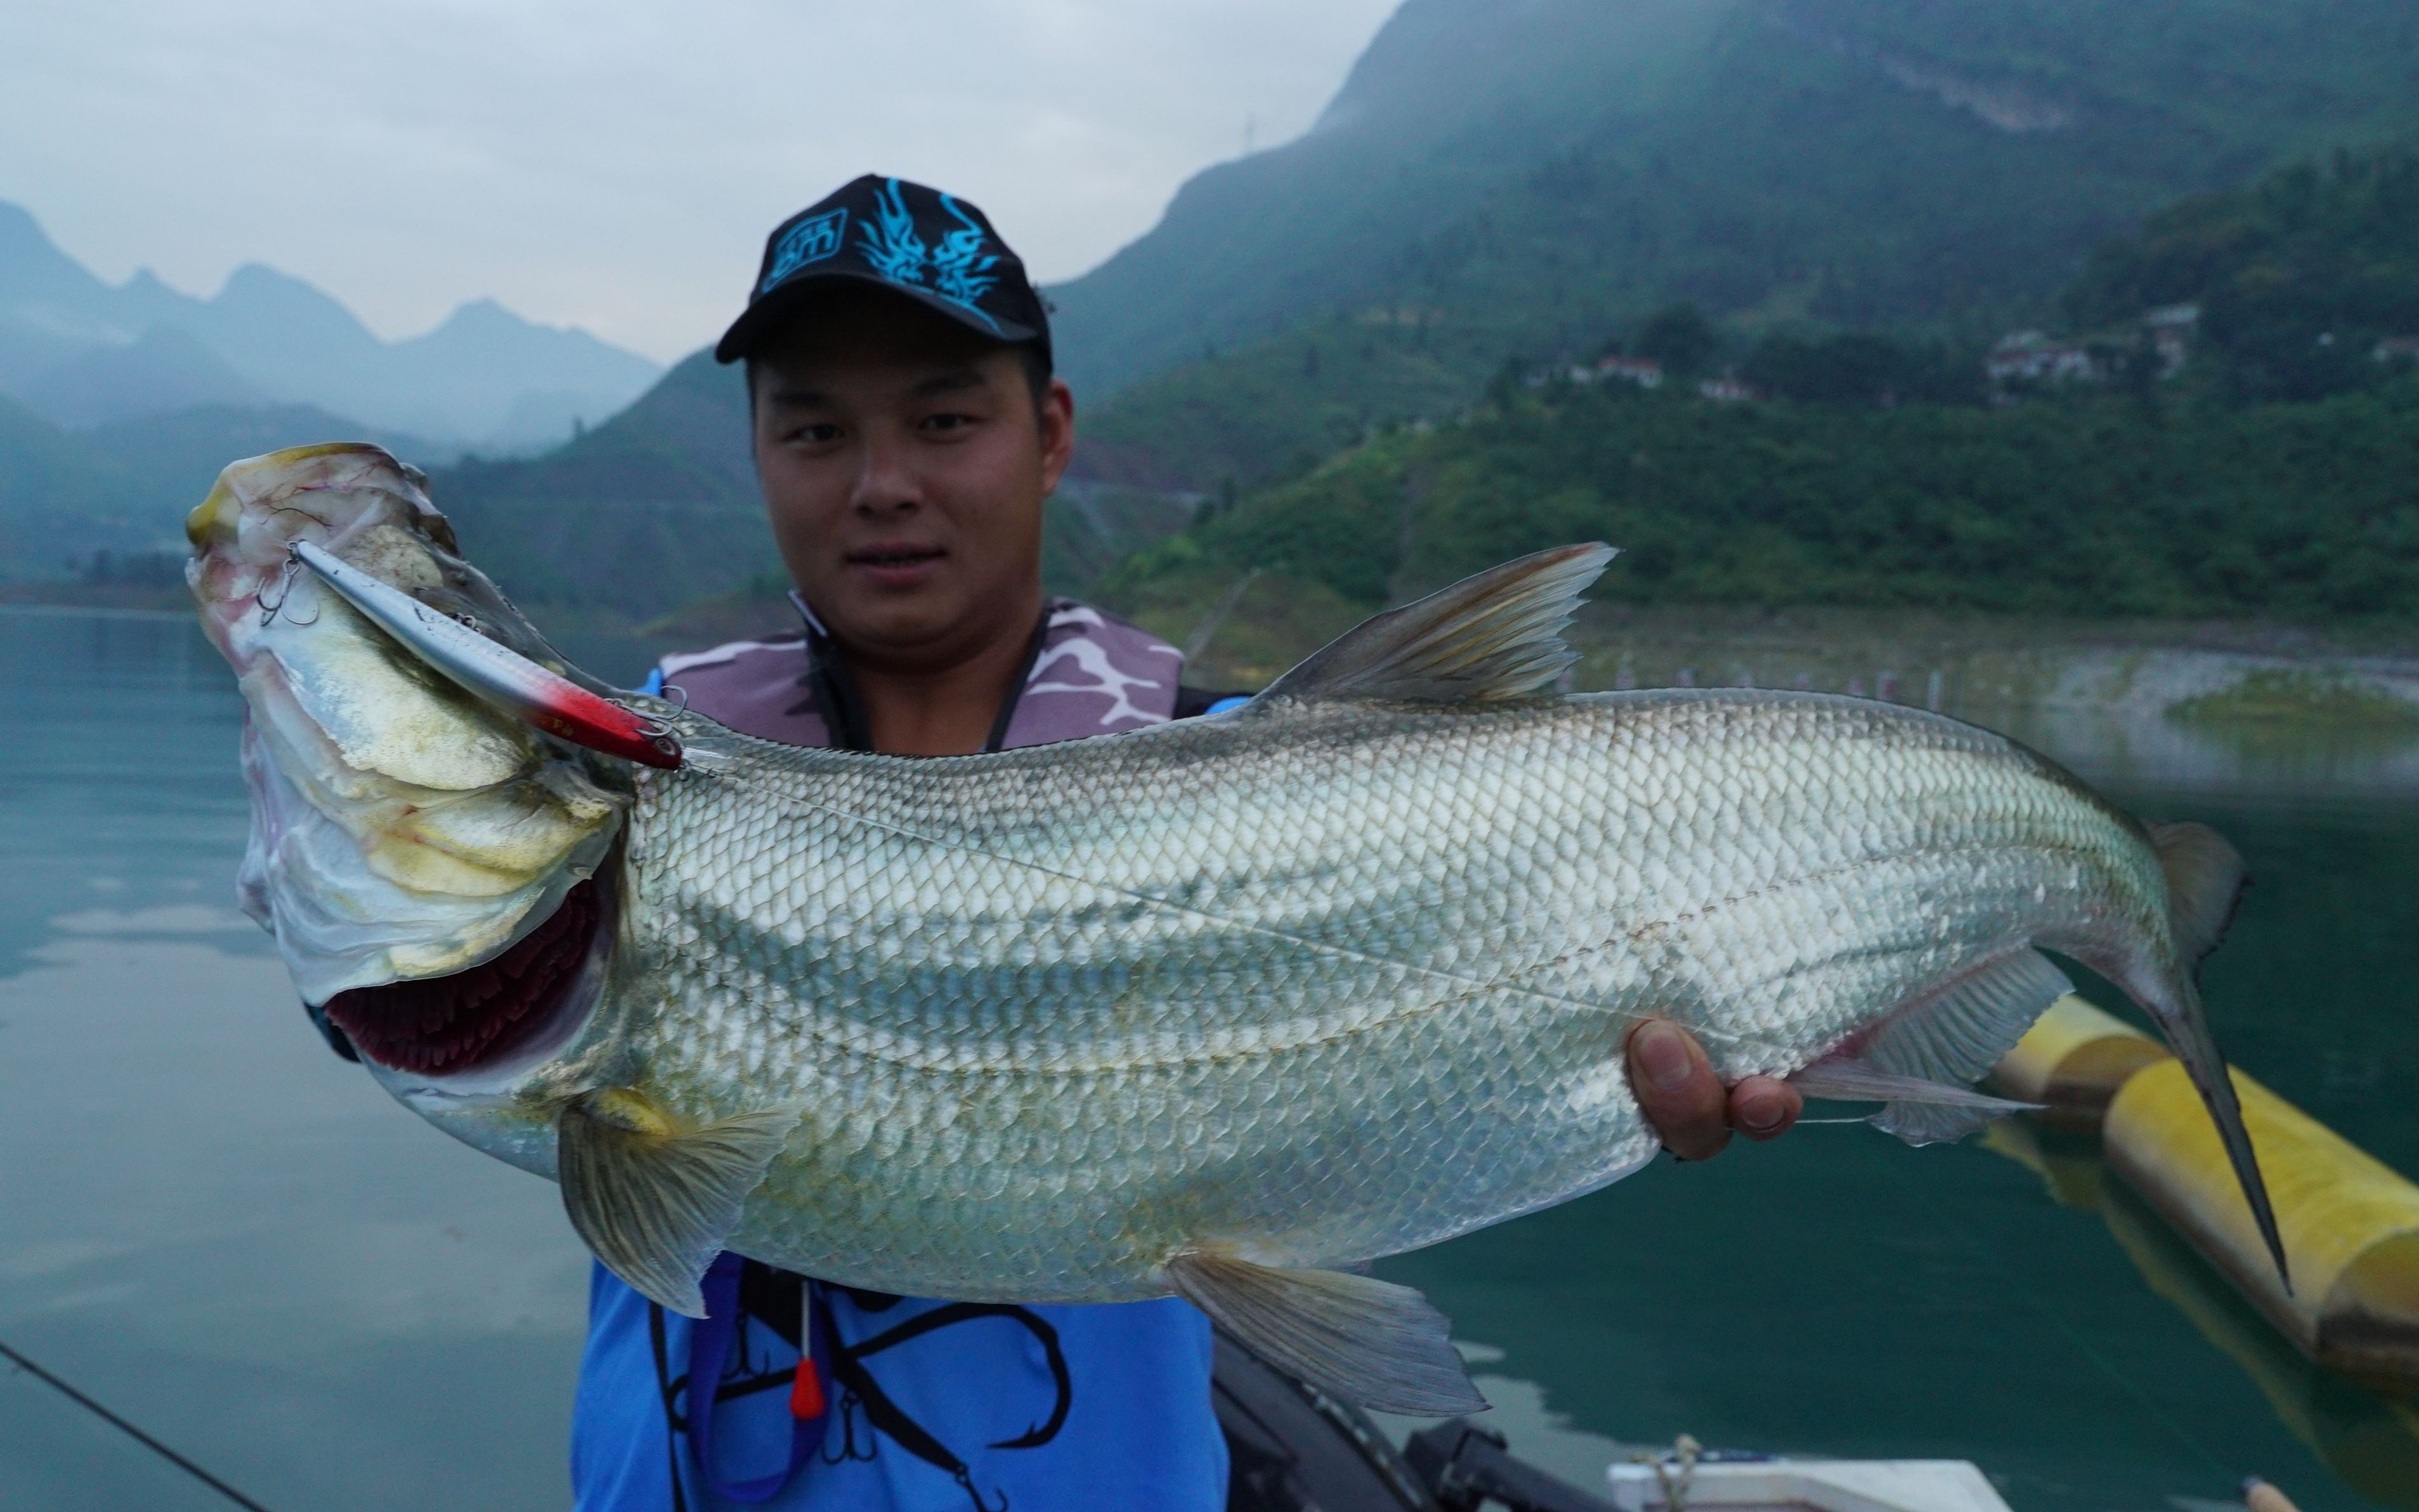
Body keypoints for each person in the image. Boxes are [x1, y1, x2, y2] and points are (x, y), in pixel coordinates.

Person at [566, 175, 1803, 1511]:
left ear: (1047, 433)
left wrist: (1729, 1014)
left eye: (941, 419)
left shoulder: (1244, 767)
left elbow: (1582, 917)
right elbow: (403, 976)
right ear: (754, 449)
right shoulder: (627, 781)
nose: (881, 486)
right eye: (814, 430)